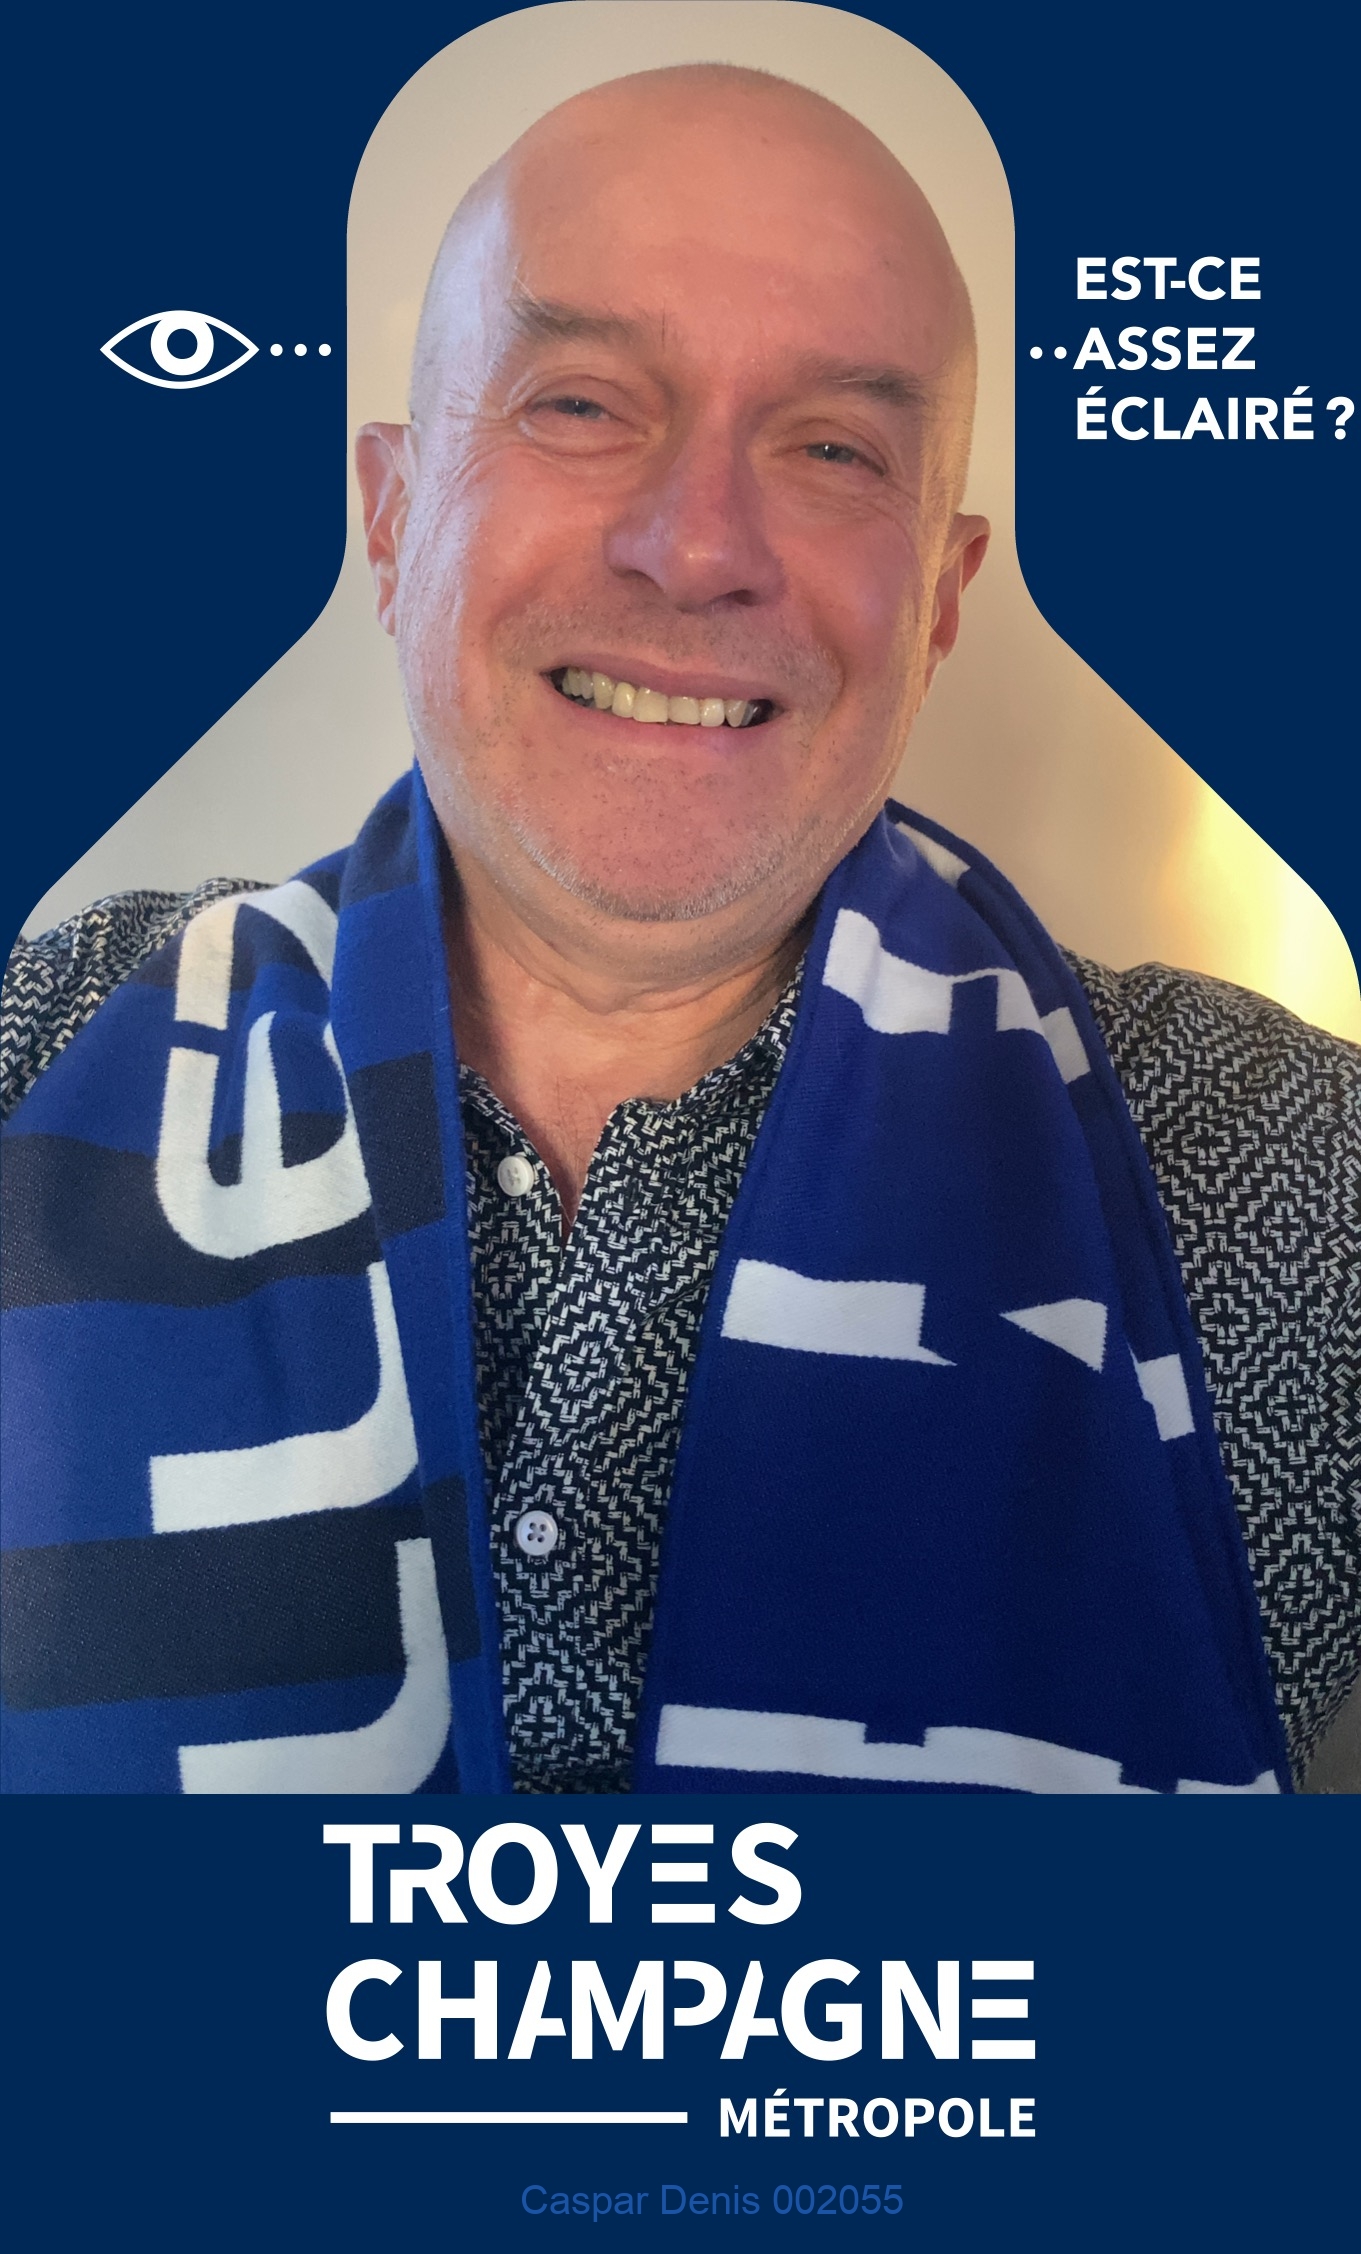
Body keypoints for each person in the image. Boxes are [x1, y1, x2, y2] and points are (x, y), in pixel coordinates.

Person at [2, 66, 1356, 1798]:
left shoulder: (1298, 1176)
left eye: (833, 447)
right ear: (393, 516)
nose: (698, 545)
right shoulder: (36, 1043)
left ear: (939, 602)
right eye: (577, 404)